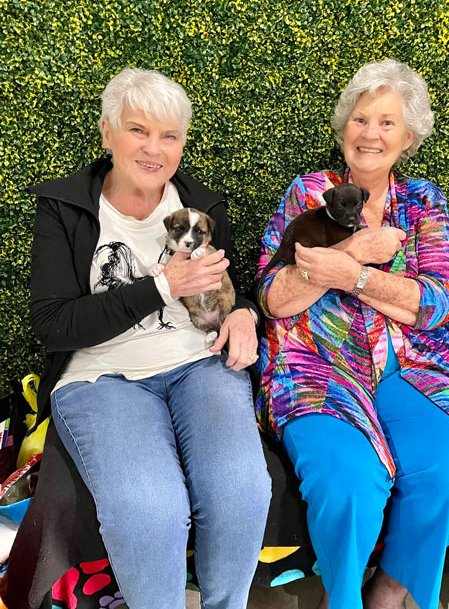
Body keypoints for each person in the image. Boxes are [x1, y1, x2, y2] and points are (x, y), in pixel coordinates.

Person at [28, 67, 271, 609]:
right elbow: (53, 323)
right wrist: (163, 286)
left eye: (170, 136)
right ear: (107, 131)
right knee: (150, 508)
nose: (154, 149)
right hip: (101, 378)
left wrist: (246, 316)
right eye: (138, 130)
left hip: (199, 364)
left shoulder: (204, 207)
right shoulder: (64, 209)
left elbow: (237, 289)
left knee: (241, 492)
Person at [255, 59, 449, 609]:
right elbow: (273, 295)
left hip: (415, 368)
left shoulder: (422, 202)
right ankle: (343, 600)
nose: (371, 134)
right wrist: (352, 253)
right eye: (361, 120)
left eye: (387, 123)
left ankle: (388, 591)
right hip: (317, 365)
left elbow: (437, 302)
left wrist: (353, 279)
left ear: (408, 138)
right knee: (349, 482)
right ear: (344, 131)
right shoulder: (309, 193)